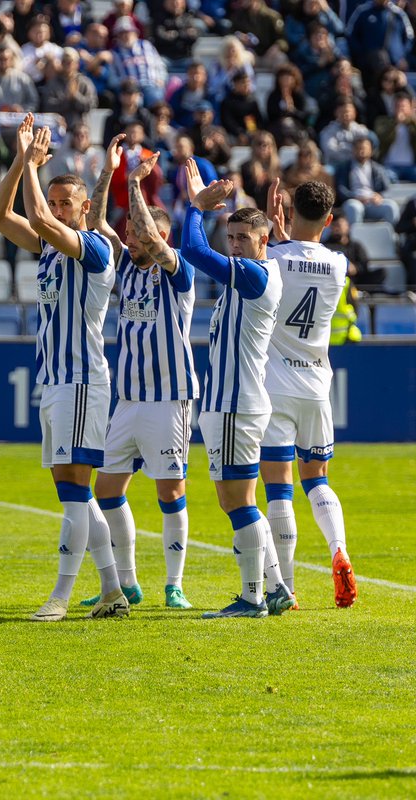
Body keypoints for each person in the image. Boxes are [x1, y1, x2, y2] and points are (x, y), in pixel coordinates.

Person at [0, 114, 124, 622]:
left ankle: (61, 597)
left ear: (86, 209)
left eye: (69, 203)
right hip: (57, 381)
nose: (59, 209)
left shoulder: (95, 248)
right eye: (57, 199)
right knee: (73, 491)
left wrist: (30, 168)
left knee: (73, 491)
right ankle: (112, 591)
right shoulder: (49, 249)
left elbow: (41, 219)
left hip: (83, 379)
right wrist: (19, 162)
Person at [84, 136, 198, 611]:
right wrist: (110, 173)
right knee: (107, 489)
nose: (129, 235)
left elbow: (151, 237)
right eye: (128, 229)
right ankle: (129, 582)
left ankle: (174, 584)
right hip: (128, 400)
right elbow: (93, 224)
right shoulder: (126, 267)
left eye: (137, 229)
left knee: (170, 491)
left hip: (169, 398)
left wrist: (135, 181)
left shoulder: (177, 270)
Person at [178, 158, 289, 618]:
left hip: (234, 404)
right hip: (233, 402)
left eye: (245, 238)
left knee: (235, 501)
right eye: (233, 238)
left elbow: (193, 251)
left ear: (264, 243)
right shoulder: (249, 275)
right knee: (240, 501)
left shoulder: (255, 275)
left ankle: (252, 597)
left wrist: (194, 207)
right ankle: (277, 587)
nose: (237, 245)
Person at [260, 179, 357, 607]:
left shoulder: (273, 258)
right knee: (316, 478)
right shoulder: (339, 264)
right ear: (330, 220)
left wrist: (273, 232)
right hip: (317, 385)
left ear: (288, 209)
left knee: (279, 487)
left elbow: (278, 261)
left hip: (275, 384)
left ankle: (289, 587)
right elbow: (308, 259)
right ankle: (339, 548)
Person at [335, 137, 399, 226]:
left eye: (365, 148)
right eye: (359, 148)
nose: (362, 151)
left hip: (373, 202)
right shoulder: (344, 168)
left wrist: (379, 196)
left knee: (391, 206)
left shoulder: (378, 168)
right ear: (353, 150)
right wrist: (356, 197)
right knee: (353, 207)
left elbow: (387, 189)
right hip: (354, 200)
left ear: (371, 150)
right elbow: (341, 190)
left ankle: (393, 238)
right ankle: (354, 238)